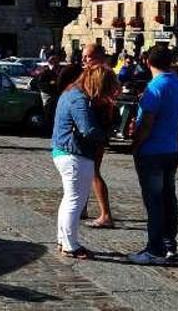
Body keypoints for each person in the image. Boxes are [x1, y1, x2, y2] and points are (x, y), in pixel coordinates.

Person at [128, 46, 178, 265]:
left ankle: (154, 249)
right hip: (170, 148)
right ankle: (169, 245)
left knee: (154, 201)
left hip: (152, 151)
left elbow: (147, 123)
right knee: (168, 199)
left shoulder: (156, 86)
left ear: (146, 61)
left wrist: (135, 145)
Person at [51, 66, 115, 259]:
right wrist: (106, 135)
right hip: (74, 153)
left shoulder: (70, 92)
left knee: (69, 199)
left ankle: (64, 240)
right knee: (74, 201)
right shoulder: (79, 98)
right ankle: (70, 245)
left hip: (65, 152)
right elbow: (87, 130)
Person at [78, 43, 116, 229]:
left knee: (93, 171)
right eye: (84, 56)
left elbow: (98, 97)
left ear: (100, 57)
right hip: (95, 127)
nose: (84, 60)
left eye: (88, 57)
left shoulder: (103, 74)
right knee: (86, 171)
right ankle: (82, 207)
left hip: (96, 128)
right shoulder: (93, 72)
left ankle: (105, 214)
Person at [37, 54, 62, 128]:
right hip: (48, 94)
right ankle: (47, 125)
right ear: (52, 62)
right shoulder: (45, 71)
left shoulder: (59, 70)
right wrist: (51, 84)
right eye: (56, 62)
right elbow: (41, 84)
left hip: (56, 94)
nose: (57, 63)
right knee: (48, 109)